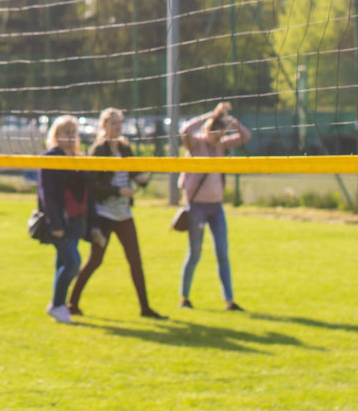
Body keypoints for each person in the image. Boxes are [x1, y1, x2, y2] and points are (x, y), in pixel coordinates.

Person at [68, 108, 163, 319]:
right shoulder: (98, 150)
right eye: (114, 123)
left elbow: (133, 173)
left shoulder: (124, 147)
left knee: (135, 260)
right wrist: (118, 190)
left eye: (120, 123)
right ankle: (71, 303)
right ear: (104, 126)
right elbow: (92, 187)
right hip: (104, 215)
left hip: (123, 213)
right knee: (95, 260)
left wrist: (141, 178)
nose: (118, 127)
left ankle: (145, 309)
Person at [178, 102, 251, 311]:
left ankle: (229, 300)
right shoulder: (195, 143)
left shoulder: (220, 145)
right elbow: (185, 130)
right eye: (216, 131)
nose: (218, 136)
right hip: (197, 207)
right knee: (195, 253)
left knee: (222, 253)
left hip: (216, 207)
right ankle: (184, 297)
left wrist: (231, 122)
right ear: (209, 128)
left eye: (221, 133)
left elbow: (246, 137)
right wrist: (209, 115)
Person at [36, 114, 88, 324]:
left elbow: (86, 191)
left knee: (64, 263)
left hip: (76, 221)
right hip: (60, 222)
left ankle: (57, 305)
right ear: (56, 135)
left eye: (73, 132)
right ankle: (58, 305)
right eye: (66, 132)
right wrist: (55, 223)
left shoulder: (77, 157)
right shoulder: (51, 157)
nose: (70, 136)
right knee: (73, 262)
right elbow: (47, 194)